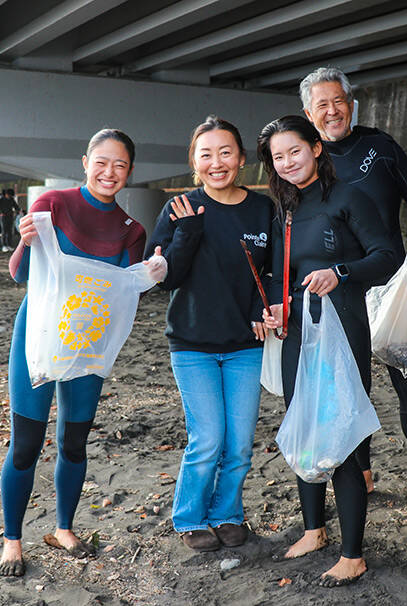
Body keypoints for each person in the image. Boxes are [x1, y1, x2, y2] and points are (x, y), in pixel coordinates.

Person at [0, 129, 162, 577]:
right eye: (102, 162)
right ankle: (12, 540)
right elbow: (19, 276)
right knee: (26, 445)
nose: (110, 172)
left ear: (130, 172)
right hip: (38, 337)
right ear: (85, 161)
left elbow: (123, 295)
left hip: (88, 345)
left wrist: (151, 273)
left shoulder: (132, 229)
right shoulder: (52, 205)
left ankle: (64, 527)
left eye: (121, 165)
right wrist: (25, 241)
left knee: (74, 441)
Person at [299, 67, 407, 514]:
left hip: (389, 282)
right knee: (352, 386)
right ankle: (363, 470)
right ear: (308, 114)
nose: (331, 111)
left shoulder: (380, 147)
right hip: (339, 291)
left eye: (338, 101)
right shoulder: (307, 160)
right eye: (321, 105)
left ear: (351, 103)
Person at [258, 115, 395, 586]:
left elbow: (387, 255)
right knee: (305, 426)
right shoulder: (282, 208)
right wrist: (273, 306)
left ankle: (353, 553)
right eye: (278, 157)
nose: (287, 162)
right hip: (297, 334)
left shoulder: (349, 196)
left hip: (343, 331)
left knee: (343, 433)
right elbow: (279, 273)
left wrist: (341, 271)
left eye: (295, 151)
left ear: (317, 148)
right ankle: (314, 530)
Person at [145, 116, 273, 552]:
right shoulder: (179, 207)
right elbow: (163, 278)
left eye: (225, 153)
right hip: (193, 344)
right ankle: (189, 517)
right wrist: (188, 232)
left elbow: (274, 271)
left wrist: (263, 306)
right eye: (206, 154)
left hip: (245, 345)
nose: (216, 162)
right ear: (194, 161)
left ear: (241, 159)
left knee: (239, 443)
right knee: (209, 438)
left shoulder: (262, 209)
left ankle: (227, 513)